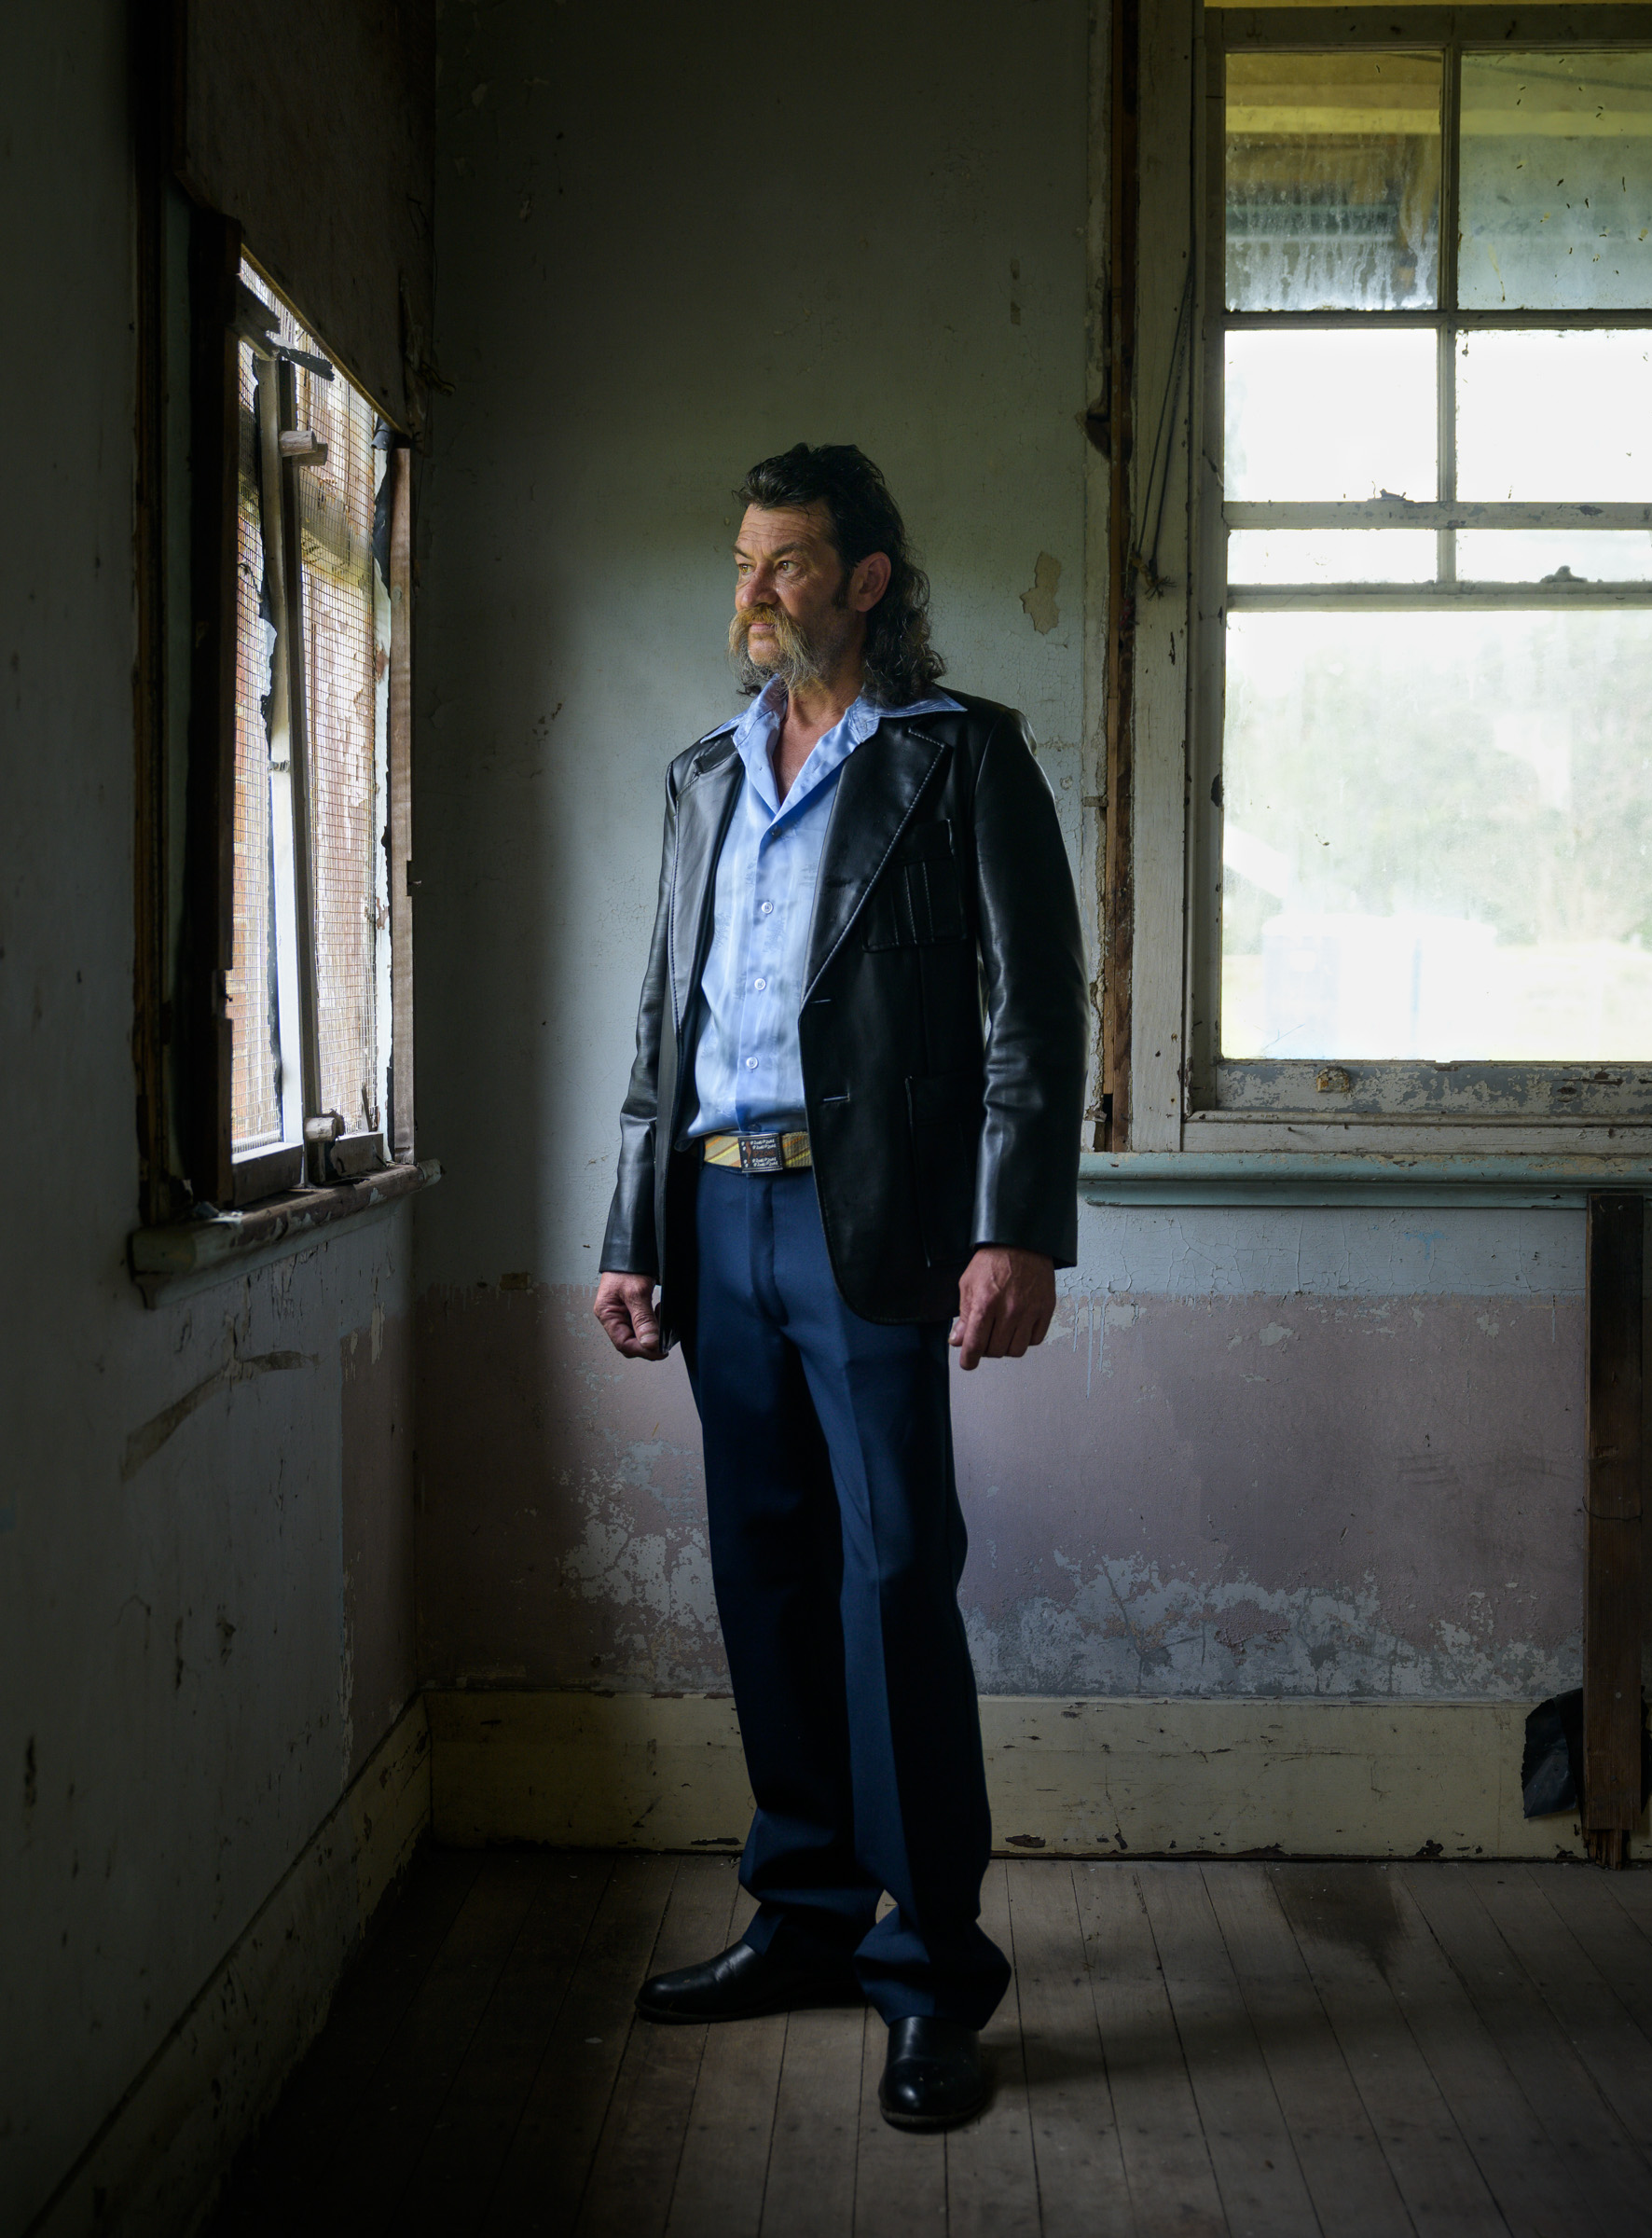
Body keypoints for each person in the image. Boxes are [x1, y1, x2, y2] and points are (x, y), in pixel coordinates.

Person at [594, 443, 1086, 2130]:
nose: (753, 592)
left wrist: (1015, 1229)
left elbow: (1036, 1014)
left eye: (788, 564)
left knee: (892, 1585)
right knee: (768, 1578)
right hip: (719, 1223)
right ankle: (802, 1915)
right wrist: (628, 1229)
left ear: (869, 579)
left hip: (872, 1228)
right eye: (744, 561)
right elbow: (665, 1028)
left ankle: (931, 1968)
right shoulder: (701, 778)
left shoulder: (956, 762)